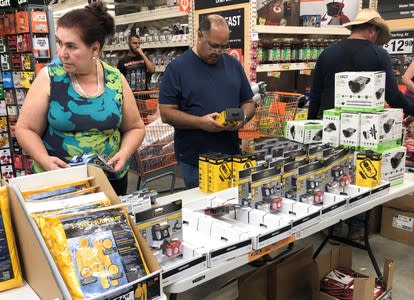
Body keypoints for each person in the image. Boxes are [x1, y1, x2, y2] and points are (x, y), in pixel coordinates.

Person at [15, 1, 145, 196]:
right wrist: (44, 159)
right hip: (58, 183)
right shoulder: (50, 78)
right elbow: (25, 129)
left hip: (109, 182)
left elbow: (135, 127)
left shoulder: (115, 79)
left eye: (71, 46)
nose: (62, 53)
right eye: (59, 42)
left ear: (94, 49)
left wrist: (124, 153)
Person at [159, 14, 256, 189]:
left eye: (223, 47)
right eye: (214, 45)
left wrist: (241, 118)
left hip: (231, 156)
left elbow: (248, 102)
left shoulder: (233, 65)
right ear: (200, 35)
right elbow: (166, 113)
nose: (218, 51)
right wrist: (201, 123)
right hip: (195, 161)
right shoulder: (177, 69)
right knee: (201, 212)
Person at [307, 8, 414, 121]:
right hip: (363, 127)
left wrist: (310, 125)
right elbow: (393, 96)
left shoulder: (327, 53)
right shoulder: (380, 54)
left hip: (329, 124)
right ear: (372, 30)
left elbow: (315, 94)